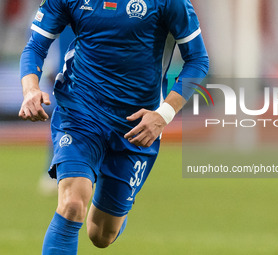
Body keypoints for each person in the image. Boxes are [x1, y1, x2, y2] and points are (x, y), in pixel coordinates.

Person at [19, 0, 209, 254]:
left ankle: (115, 200)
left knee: (101, 235)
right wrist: (31, 88)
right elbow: (35, 45)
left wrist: (163, 114)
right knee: (72, 203)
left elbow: (197, 60)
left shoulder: (169, 2)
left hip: (137, 125)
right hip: (80, 113)